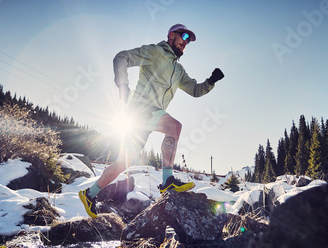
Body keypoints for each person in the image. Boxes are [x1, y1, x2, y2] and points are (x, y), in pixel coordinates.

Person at [79, 24, 224, 218]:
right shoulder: (156, 52)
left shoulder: (178, 70)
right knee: (175, 127)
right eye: (185, 36)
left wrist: (210, 82)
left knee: (123, 162)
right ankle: (167, 180)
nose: (186, 42)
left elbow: (195, 90)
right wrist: (123, 86)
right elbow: (121, 57)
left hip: (150, 115)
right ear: (172, 35)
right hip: (140, 108)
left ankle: (89, 194)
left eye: (189, 41)